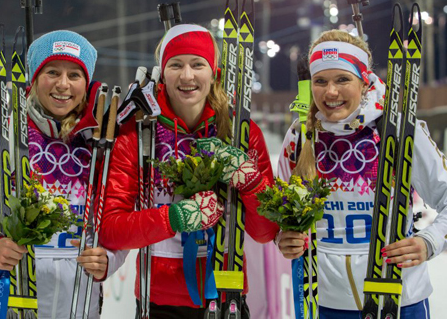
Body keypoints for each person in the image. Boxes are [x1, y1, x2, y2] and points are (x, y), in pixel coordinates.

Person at [100, 24, 279, 319]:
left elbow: (265, 232)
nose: (187, 76)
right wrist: (173, 217)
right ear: (162, 73)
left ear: (214, 72)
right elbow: (110, 228)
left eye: (198, 64)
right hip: (156, 300)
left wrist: (251, 183)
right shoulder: (138, 132)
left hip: (227, 295)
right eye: (175, 65)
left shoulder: (241, 133)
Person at [0, 30, 127, 319]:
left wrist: (112, 258)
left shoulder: (102, 145)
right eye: (52, 72)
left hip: (78, 303)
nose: (63, 84)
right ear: (34, 78)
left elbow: (120, 219)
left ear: (87, 82)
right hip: (9, 298)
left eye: (74, 75)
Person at [276, 29, 447, 319]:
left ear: (364, 82)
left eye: (343, 79)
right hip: (323, 302)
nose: (331, 92)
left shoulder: (398, 130)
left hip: (398, 299)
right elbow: (281, 213)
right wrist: (285, 236)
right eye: (321, 81)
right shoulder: (299, 136)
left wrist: (429, 241)